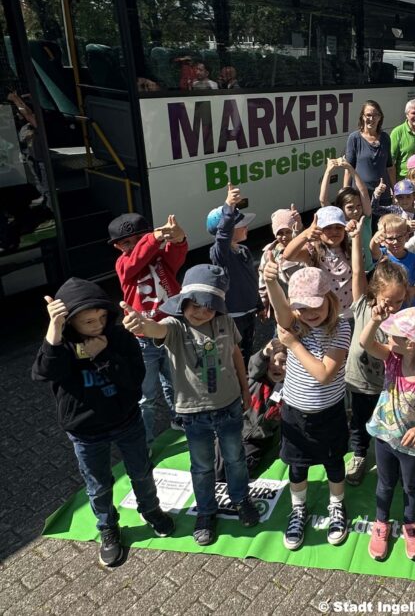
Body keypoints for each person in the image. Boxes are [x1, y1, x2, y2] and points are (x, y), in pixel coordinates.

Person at [32, 277, 175, 567]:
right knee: (97, 485)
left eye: (101, 317)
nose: (97, 324)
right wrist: (54, 329)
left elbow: (135, 380)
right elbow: (44, 372)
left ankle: (151, 511)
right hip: (86, 432)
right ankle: (108, 528)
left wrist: (104, 355)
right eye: (87, 321)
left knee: (141, 472)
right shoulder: (61, 344)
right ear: (71, 322)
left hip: (127, 421)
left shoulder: (119, 336)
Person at [121, 265, 260, 546]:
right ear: (182, 302)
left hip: (230, 405)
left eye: (209, 307)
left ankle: (241, 499)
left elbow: (236, 355)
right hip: (194, 414)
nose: (201, 312)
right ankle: (206, 511)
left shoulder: (225, 322)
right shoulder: (174, 327)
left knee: (235, 458)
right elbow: (154, 329)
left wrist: (246, 391)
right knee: (202, 466)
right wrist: (141, 324)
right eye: (194, 305)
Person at [261, 261, 352, 550]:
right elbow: (281, 311)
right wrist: (273, 283)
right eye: (302, 308)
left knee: (334, 462)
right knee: (297, 468)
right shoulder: (294, 323)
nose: (310, 314)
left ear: (330, 299)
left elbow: (324, 374)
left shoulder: (340, 329)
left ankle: (336, 506)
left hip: (330, 413)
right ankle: (298, 509)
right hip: (295, 414)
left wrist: (294, 345)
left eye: (317, 306)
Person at [361, 307, 415, 561]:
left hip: (412, 448)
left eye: (393, 334)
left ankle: (410, 524)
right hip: (385, 439)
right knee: (385, 484)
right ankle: (381, 522)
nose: (388, 337)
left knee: (411, 486)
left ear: (411, 343)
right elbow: (365, 342)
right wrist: (375, 320)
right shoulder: (391, 359)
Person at [108, 212, 187, 441]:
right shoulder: (123, 264)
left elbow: (178, 254)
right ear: (117, 247)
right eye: (126, 243)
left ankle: (179, 419)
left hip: (171, 330)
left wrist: (178, 239)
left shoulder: (161, 257)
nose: (134, 245)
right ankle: (146, 440)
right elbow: (135, 261)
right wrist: (152, 239)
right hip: (143, 339)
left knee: (176, 384)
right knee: (146, 396)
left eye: (139, 238)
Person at [345, 225, 409, 486]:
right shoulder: (362, 304)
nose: (393, 307)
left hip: (387, 387)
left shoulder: (402, 320)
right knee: (358, 423)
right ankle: (359, 456)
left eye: (399, 301)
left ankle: (389, 458)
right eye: (389, 300)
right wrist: (356, 237)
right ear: (374, 293)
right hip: (359, 382)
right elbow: (358, 270)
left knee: (387, 426)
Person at [214, 338, 287, 480]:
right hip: (234, 428)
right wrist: (266, 352)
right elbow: (255, 363)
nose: (277, 366)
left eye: (284, 363)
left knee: (238, 474)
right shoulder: (257, 377)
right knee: (216, 472)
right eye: (272, 362)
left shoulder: (290, 388)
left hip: (258, 439)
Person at [207, 183, 264, 361]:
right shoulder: (220, 253)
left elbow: (251, 281)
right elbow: (222, 236)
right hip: (233, 317)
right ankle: (237, 383)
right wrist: (229, 207)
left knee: (248, 349)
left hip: (249, 313)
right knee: (234, 355)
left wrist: (259, 305)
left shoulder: (243, 250)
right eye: (240, 225)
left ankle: (246, 379)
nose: (246, 227)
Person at [282, 206, 354, 319]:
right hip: (322, 314)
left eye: (339, 227)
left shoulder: (351, 248)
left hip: (347, 312)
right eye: (328, 228)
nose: (334, 231)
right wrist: (305, 234)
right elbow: (288, 255)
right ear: (318, 230)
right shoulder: (312, 251)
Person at [320, 157, 374, 272]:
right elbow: (323, 200)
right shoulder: (339, 223)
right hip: (349, 274)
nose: (356, 210)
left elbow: (363, 190)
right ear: (340, 208)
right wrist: (328, 171)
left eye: (359, 206)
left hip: (368, 270)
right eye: (350, 207)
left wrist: (350, 169)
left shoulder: (365, 219)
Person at [257, 206, 304, 324]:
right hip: (280, 304)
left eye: (288, 232)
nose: (284, 237)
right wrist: (264, 304)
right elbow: (263, 281)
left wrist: (299, 227)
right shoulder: (269, 253)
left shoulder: (302, 249)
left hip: (302, 302)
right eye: (280, 233)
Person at [370, 214, 415, 307]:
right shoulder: (382, 256)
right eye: (390, 238)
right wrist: (374, 240)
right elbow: (373, 250)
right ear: (382, 240)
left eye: (399, 237)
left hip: (408, 307)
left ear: (407, 236)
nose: (395, 242)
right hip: (386, 307)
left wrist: (412, 291)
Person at [345, 100, 393, 205]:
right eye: (368, 115)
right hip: (361, 196)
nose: (371, 119)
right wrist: (345, 193)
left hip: (383, 195)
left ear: (380, 117)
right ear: (362, 117)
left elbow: (389, 167)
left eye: (375, 115)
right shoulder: (354, 138)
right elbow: (348, 169)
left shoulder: (385, 138)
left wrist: (395, 191)